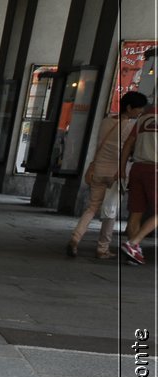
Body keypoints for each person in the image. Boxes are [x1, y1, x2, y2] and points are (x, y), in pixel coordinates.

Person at [69, 91, 147, 259]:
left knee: (91, 207)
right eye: (138, 109)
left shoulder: (106, 121)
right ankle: (102, 248)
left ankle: (75, 238)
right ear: (129, 108)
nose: (140, 113)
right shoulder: (130, 127)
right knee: (110, 212)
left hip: (98, 170)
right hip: (115, 174)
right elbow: (131, 149)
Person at [121, 98, 158, 265]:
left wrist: (121, 168)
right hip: (155, 169)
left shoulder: (143, 118)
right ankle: (133, 243)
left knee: (136, 212)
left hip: (137, 168)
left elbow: (128, 143)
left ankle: (133, 255)